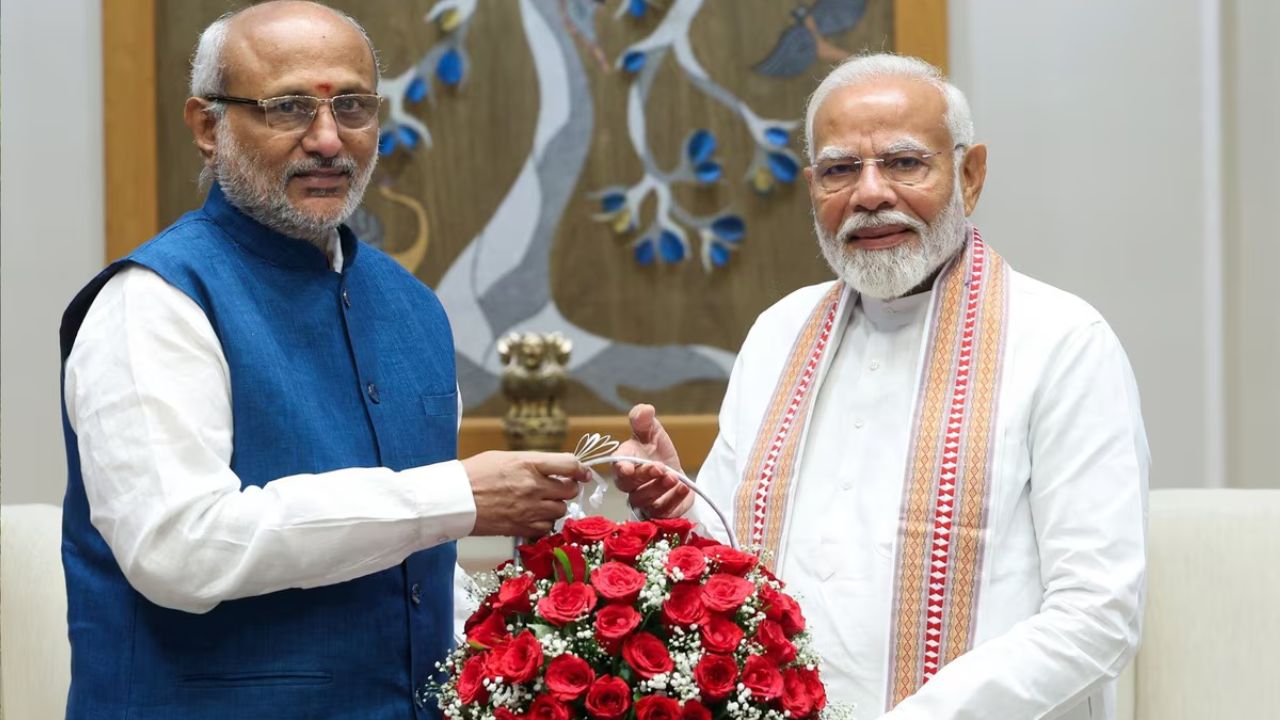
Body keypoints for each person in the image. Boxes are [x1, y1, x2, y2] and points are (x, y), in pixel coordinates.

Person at [58, 3, 588, 718]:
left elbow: (409, 572)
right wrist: (454, 496)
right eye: (288, 108)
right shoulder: (154, 300)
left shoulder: (412, 307)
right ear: (208, 126)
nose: (329, 139)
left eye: (353, 106)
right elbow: (180, 549)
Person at [615, 53, 1148, 720]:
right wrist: (677, 506)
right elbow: (732, 572)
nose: (869, 194)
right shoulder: (780, 332)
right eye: (840, 170)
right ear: (813, 187)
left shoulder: (1062, 341)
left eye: (903, 163)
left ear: (970, 175)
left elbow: (1098, 615)